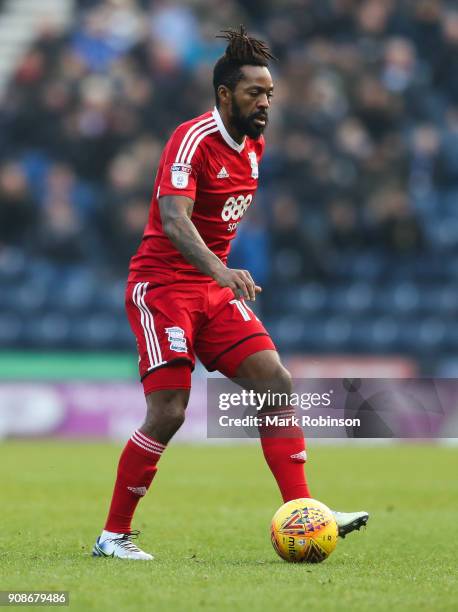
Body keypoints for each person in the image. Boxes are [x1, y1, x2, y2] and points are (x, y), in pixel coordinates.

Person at [92, 27, 369, 560]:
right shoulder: (191, 139)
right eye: (254, 93)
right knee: (169, 410)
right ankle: (112, 536)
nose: (265, 103)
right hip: (163, 289)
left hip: (210, 288)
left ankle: (305, 510)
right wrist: (220, 269)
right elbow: (174, 221)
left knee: (275, 381)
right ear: (225, 95)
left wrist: (217, 275)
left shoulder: (255, 144)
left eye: (269, 94)